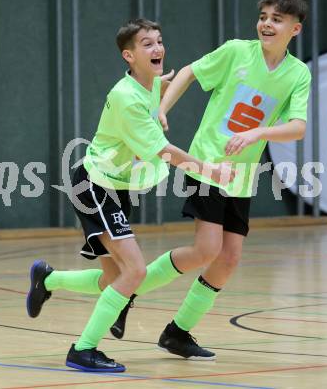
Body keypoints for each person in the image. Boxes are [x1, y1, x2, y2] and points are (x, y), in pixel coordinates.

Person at [26, 19, 235, 373]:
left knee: (114, 279)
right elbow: (165, 152)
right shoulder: (126, 98)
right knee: (135, 271)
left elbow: (153, 104)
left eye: (159, 41)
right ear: (129, 55)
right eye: (147, 44)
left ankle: (48, 279)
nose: (158, 49)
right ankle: (83, 349)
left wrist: (163, 84)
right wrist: (210, 171)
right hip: (95, 186)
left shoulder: (149, 84)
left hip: (115, 187)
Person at [112, 0, 311, 360]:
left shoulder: (298, 74)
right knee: (207, 249)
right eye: (264, 15)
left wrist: (258, 133)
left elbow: (298, 127)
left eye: (277, 19)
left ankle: (177, 332)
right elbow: (188, 72)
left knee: (229, 257)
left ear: (294, 29)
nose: (267, 23)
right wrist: (160, 107)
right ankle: (127, 291)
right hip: (205, 162)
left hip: (241, 174)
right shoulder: (237, 51)